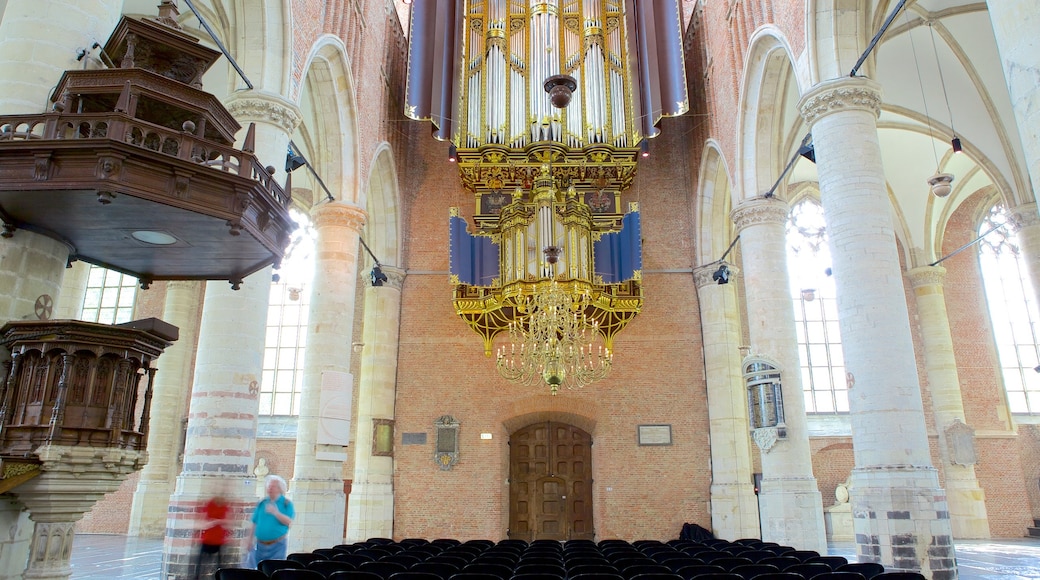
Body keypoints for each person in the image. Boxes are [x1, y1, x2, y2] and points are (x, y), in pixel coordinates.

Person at [244, 474, 295, 568]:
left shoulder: (286, 504)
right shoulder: (262, 503)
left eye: (273, 486)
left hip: (277, 546)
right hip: (259, 545)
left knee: (273, 570)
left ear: (280, 489)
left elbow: (289, 522)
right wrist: (249, 540)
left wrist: (276, 512)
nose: (269, 488)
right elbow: (254, 522)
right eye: (269, 486)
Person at [193, 486, 231, 579]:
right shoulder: (209, 504)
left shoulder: (225, 506)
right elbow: (201, 522)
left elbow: (228, 521)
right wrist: (210, 523)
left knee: (220, 564)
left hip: (219, 539)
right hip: (207, 538)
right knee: (200, 565)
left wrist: (218, 522)